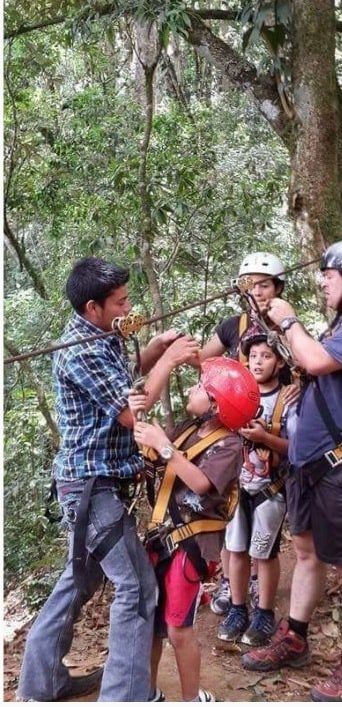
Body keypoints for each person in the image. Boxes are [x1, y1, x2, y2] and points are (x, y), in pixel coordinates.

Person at [17, 256, 200, 702]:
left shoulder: (103, 337)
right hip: (90, 488)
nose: (129, 306)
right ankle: (125, 696)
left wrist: (155, 349)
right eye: (121, 301)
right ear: (92, 307)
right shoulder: (78, 350)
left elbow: (121, 377)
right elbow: (129, 410)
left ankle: (41, 684)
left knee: (80, 581)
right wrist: (170, 362)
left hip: (94, 486)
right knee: (137, 586)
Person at [242, 239, 342, 702]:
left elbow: (314, 359)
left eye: (328, 277)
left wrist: (288, 319)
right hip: (310, 462)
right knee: (307, 551)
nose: (323, 284)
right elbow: (315, 369)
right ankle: (294, 636)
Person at [130, 357, 260, 702]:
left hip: (190, 547)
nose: (192, 388)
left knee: (178, 629)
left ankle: (189, 698)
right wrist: (142, 426)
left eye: (201, 386)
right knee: (153, 628)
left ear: (216, 405)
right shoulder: (187, 429)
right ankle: (147, 692)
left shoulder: (229, 444)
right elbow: (155, 456)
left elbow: (201, 483)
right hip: (161, 538)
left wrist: (164, 447)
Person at [200, 252, 296, 617]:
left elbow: (302, 364)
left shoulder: (286, 322)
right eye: (250, 285)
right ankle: (232, 583)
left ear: (277, 287)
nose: (257, 291)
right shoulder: (233, 327)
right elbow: (205, 361)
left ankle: (258, 587)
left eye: (264, 284)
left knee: (262, 517)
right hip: (234, 427)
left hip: (275, 422)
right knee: (231, 513)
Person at [216, 324, 297, 646]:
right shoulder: (234, 394)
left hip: (270, 488)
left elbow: (297, 448)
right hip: (237, 487)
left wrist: (265, 438)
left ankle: (264, 612)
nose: (259, 361)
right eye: (253, 356)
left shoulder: (289, 399)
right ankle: (238, 608)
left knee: (264, 553)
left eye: (267, 355)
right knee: (235, 550)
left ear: (279, 362)